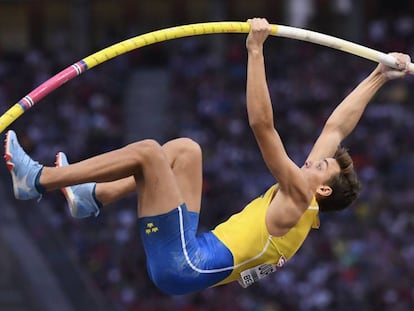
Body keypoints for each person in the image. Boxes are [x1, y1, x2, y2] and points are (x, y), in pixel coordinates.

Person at [4, 18, 411, 295]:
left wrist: (255, 49)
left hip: (184, 264)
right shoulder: (306, 196)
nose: (312, 159)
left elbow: (261, 126)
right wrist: (379, 74)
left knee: (148, 153)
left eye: (320, 165)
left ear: (322, 188)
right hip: (191, 253)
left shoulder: (296, 199)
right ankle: (92, 197)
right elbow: (336, 128)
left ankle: (36, 180)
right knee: (184, 151)